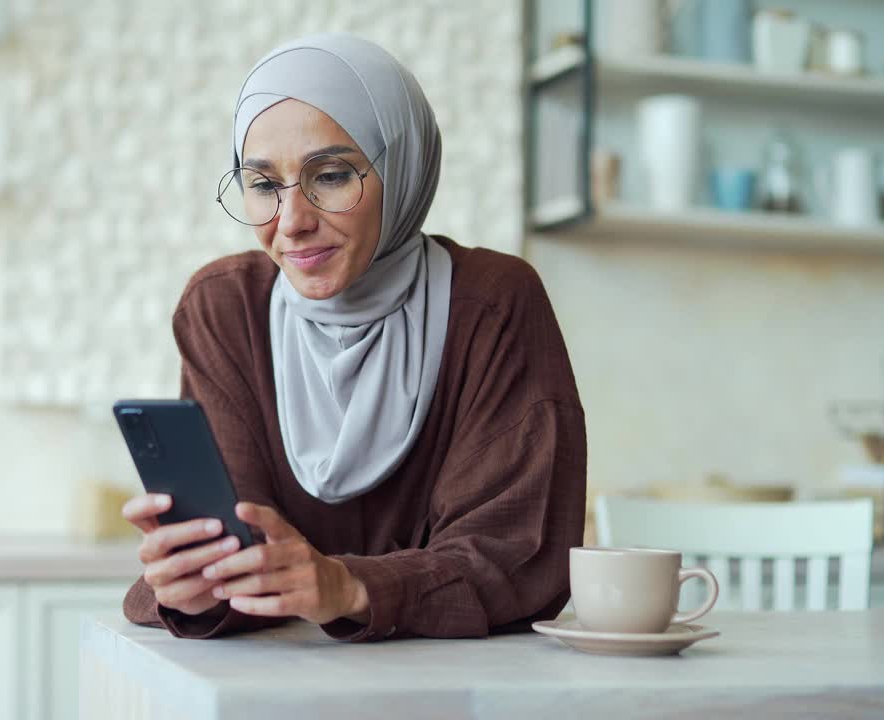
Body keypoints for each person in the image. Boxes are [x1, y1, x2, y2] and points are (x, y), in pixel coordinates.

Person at [121, 32, 585, 642]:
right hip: (268, 684)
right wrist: (196, 582)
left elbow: (520, 554)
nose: (292, 223)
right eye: (263, 185)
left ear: (402, 166)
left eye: (332, 175)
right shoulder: (223, 307)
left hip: (459, 688)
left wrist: (348, 587)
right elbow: (239, 546)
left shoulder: (493, 304)